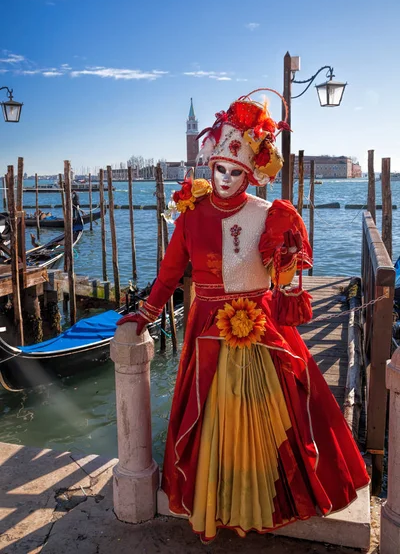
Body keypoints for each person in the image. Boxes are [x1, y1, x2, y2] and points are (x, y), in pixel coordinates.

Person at [118, 90, 369, 543]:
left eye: (237, 171)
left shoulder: (271, 214)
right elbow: (171, 273)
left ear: (250, 175)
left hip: (262, 326)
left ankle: (265, 499)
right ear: (210, 166)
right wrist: (146, 313)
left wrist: (286, 253)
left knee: (269, 415)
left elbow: (286, 276)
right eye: (220, 169)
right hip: (207, 331)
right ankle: (225, 500)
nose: (227, 178)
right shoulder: (190, 217)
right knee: (215, 418)